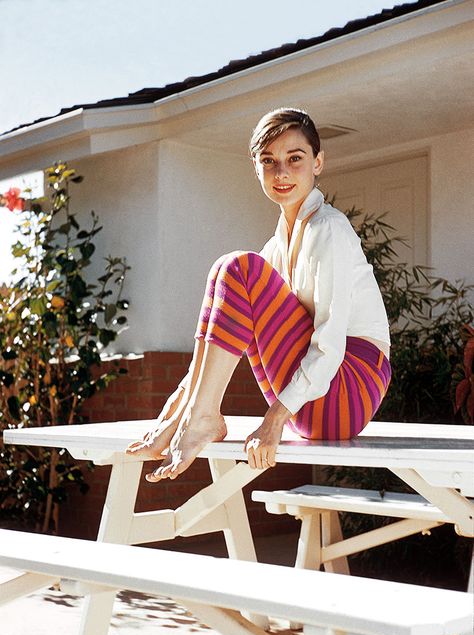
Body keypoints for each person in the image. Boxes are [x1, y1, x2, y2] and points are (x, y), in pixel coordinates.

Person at [126, 107, 391, 481]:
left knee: (239, 267)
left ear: (318, 163)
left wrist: (273, 423)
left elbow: (330, 345)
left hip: (347, 390)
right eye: (269, 161)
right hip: (312, 403)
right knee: (226, 270)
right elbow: (229, 315)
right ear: (256, 168)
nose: (281, 172)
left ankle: (201, 417)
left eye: (294, 159)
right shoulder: (276, 247)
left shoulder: (328, 229)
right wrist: (179, 401)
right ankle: (190, 413)